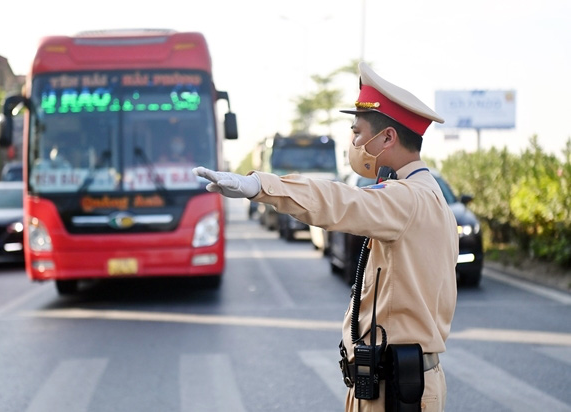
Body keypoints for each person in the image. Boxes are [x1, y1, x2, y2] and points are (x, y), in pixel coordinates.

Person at [193, 62, 458, 412]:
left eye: (359, 132)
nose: (355, 143)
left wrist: (260, 186)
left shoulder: (406, 198)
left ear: (388, 138)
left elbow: (338, 200)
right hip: (399, 381)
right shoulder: (429, 194)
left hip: (395, 391)